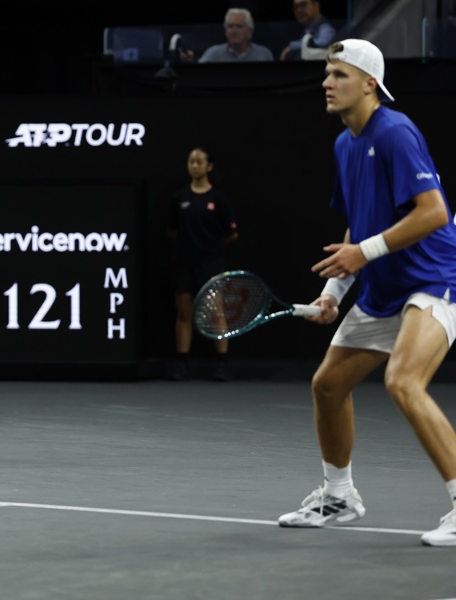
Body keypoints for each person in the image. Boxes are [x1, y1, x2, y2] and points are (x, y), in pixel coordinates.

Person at [277, 39, 456, 547]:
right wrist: (336, 289)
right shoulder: (345, 142)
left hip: (435, 277)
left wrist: (363, 255)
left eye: (338, 74)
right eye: (327, 74)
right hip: (385, 284)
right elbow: (361, 222)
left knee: (403, 380)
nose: (326, 83)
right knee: (328, 386)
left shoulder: (396, 131)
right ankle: (339, 496)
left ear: (369, 83)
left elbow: (434, 213)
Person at [166, 148, 239, 381]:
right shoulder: (178, 199)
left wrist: (210, 248)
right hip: (184, 262)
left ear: (209, 166)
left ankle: (222, 364)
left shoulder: (218, 199)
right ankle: (182, 362)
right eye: (191, 162)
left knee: (216, 312)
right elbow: (172, 230)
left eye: (199, 162)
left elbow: (231, 233)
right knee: (184, 312)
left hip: (211, 262)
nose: (194, 165)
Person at [189, 8, 273, 63]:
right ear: (225, 31)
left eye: (239, 26)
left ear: (249, 31)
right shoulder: (213, 54)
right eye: (230, 26)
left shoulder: (264, 54)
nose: (234, 31)